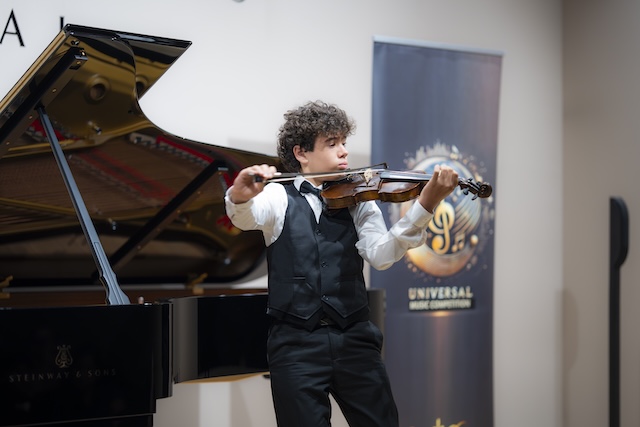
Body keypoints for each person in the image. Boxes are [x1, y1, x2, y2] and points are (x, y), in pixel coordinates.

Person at [224, 100, 458, 427]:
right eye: (332, 143)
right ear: (301, 153)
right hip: (295, 345)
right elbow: (245, 217)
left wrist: (425, 205)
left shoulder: (359, 199)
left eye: (344, 142)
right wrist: (238, 195)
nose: (344, 151)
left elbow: (381, 255)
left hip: (355, 339)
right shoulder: (277, 197)